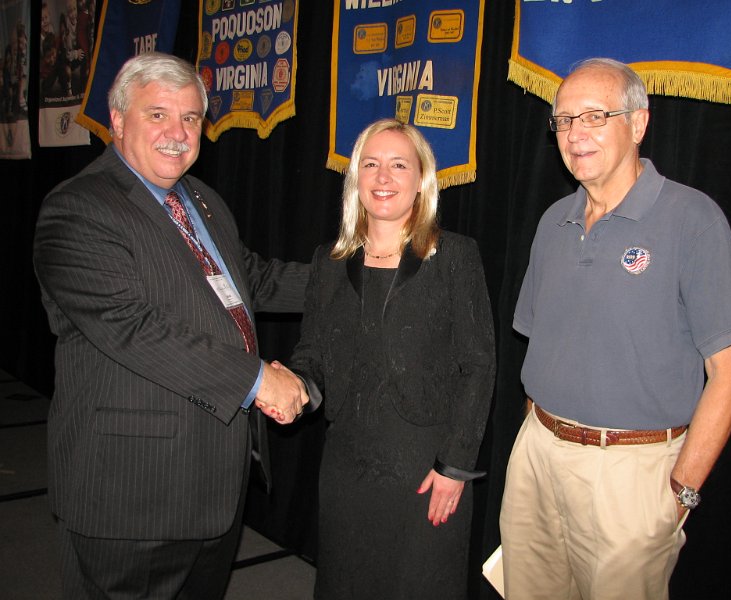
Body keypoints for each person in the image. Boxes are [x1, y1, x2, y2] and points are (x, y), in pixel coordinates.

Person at [33, 52, 310, 599]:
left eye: (189, 118)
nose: (177, 133)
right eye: (157, 114)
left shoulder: (201, 201)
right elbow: (132, 327)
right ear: (117, 120)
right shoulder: (79, 207)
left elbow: (253, 279)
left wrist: (361, 270)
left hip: (212, 485)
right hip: (129, 494)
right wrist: (257, 380)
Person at [499, 57, 731, 600]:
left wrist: (679, 495)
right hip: (537, 460)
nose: (575, 134)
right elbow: (542, 348)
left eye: (595, 116)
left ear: (638, 124)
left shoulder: (693, 220)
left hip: (631, 476)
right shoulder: (552, 222)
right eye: (564, 120)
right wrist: (535, 441)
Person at [289, 118, 496, 599]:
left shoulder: (455, 256)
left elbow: (479, 365)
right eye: (371, 164)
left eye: (399, 165)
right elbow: (312, 352)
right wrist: (294, 387)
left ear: (421, 179)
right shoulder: (329, 261)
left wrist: (455, 466)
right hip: (347, 466)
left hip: (425, 469)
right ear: (355, 178)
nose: (383, 178)